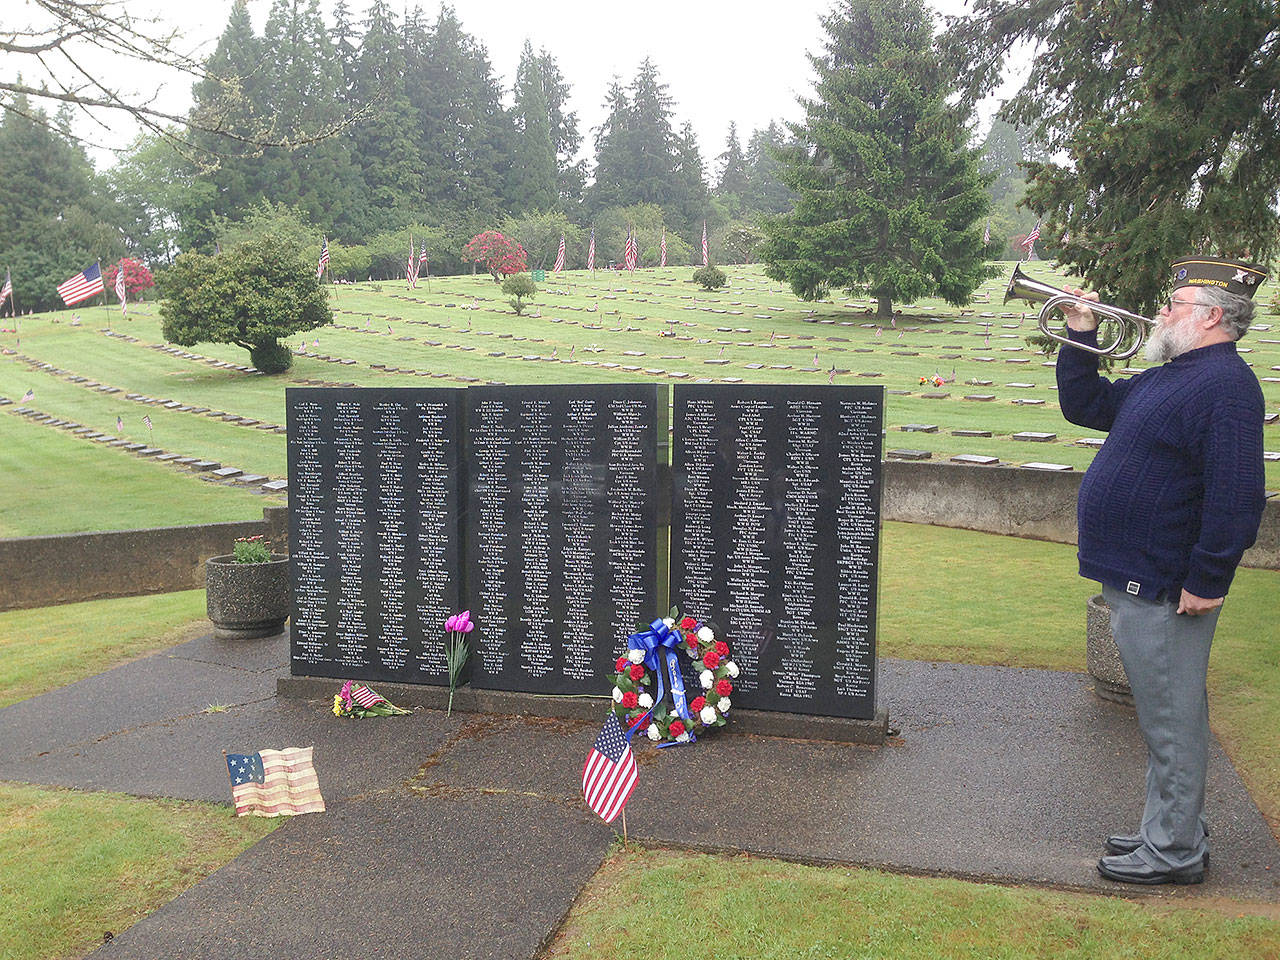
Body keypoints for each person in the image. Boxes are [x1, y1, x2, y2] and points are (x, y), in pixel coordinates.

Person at [1057, 255, 1267, 885]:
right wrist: (1080, 332)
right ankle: (1170, 829)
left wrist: (1208, 579)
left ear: (1210, 317)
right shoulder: (1168, 377)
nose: (1161, 312)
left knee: (1172, 721)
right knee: (1164, 715)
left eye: (1174, 304)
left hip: (1168, 584)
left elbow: (1237, 495)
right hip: (1138, 575)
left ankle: (1174, 851)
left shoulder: (1226, 385)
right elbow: (1086, 404)